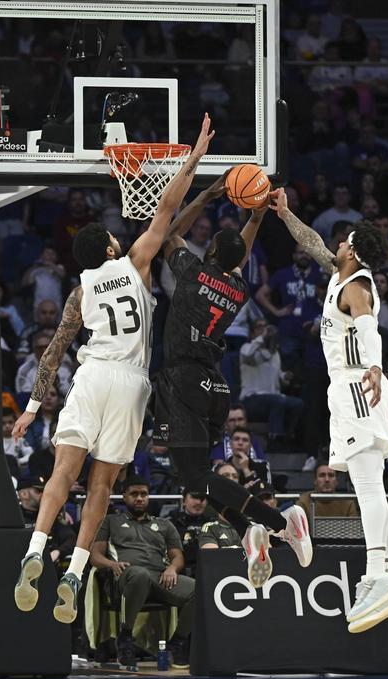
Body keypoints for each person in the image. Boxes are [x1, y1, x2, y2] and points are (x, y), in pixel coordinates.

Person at [11, 115, 213, 624]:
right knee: (102, 485)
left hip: (90, 375)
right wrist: (193, 159)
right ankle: (77, 570)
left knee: (63, 472)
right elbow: (167, 209)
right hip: (129, 384)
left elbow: (55, 350)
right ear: (108, 247)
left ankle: (35, 550)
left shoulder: (80, 290)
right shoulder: (135, 263)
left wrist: (33, 408)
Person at [152, 176, 309, 591]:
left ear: (212, 252)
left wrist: (204, 196)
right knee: (197, 476)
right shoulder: (237, 286)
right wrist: (256, 215)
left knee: (196, 481)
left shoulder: (191, 273)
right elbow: (241, 251)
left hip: (184, 381)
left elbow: (169, 235)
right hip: (215, 387)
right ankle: (247, 532)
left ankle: (280, 522)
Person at [272, 193, 388, 633]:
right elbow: (312, 243)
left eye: (343, 242)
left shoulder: (355, 287)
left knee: (367, 486)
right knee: (371, 485)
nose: (337, 246)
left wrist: (374, 366)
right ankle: (377, 572)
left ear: (353, 250)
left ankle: (380, 573)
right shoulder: (342, 273)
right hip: (351, 387)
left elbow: (369, 325)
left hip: (357, 383)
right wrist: (285, 211)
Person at [90, 476, 193, 670]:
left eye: (143, 494)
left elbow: (178, 557)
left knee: (199, 590)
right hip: (125, 577)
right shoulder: (111, 521)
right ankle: (126, 637)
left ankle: (177, 642)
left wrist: (172, 568)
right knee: (139, 574)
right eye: (134, 494)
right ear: (124, 496)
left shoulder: (164, 524)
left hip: (159, 578)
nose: (139, 498)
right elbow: (94, 556)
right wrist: (111, 564)